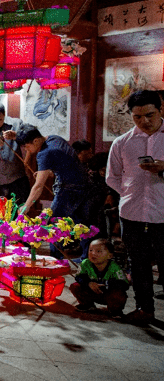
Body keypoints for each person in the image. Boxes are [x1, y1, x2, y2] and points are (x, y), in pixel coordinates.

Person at [106, 89, 164, 326]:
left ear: (161, 110)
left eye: (149, 115)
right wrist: (130, 194)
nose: (144, 121)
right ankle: (144, 309)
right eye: (137, 117)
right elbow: (113, 177)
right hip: (132, 213)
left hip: (162, 214)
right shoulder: (122, 143)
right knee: (138, 265)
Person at [15, 127, 90, 222]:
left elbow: (38, 186)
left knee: (55, 225)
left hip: (70, 190)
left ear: (36, 141)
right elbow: (66, 164)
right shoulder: (54, 138)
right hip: (82, 184)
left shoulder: (44, 153)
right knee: (74, 225)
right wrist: (48, 173)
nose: (26, 150)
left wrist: (26, 207)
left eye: (27, 146)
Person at [69, 238, 129, 316]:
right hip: (91, 291)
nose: (93, 253)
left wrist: (107, 284)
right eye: (90, 250)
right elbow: (78, 277)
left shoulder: (114, 267)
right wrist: (89, 283)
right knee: (75, 286)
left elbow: (124, 284)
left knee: (119, 294)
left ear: (109, 255)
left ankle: (115, 310)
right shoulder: (85, 263)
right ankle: (87, 305)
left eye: (98, 251)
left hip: (108, 294)